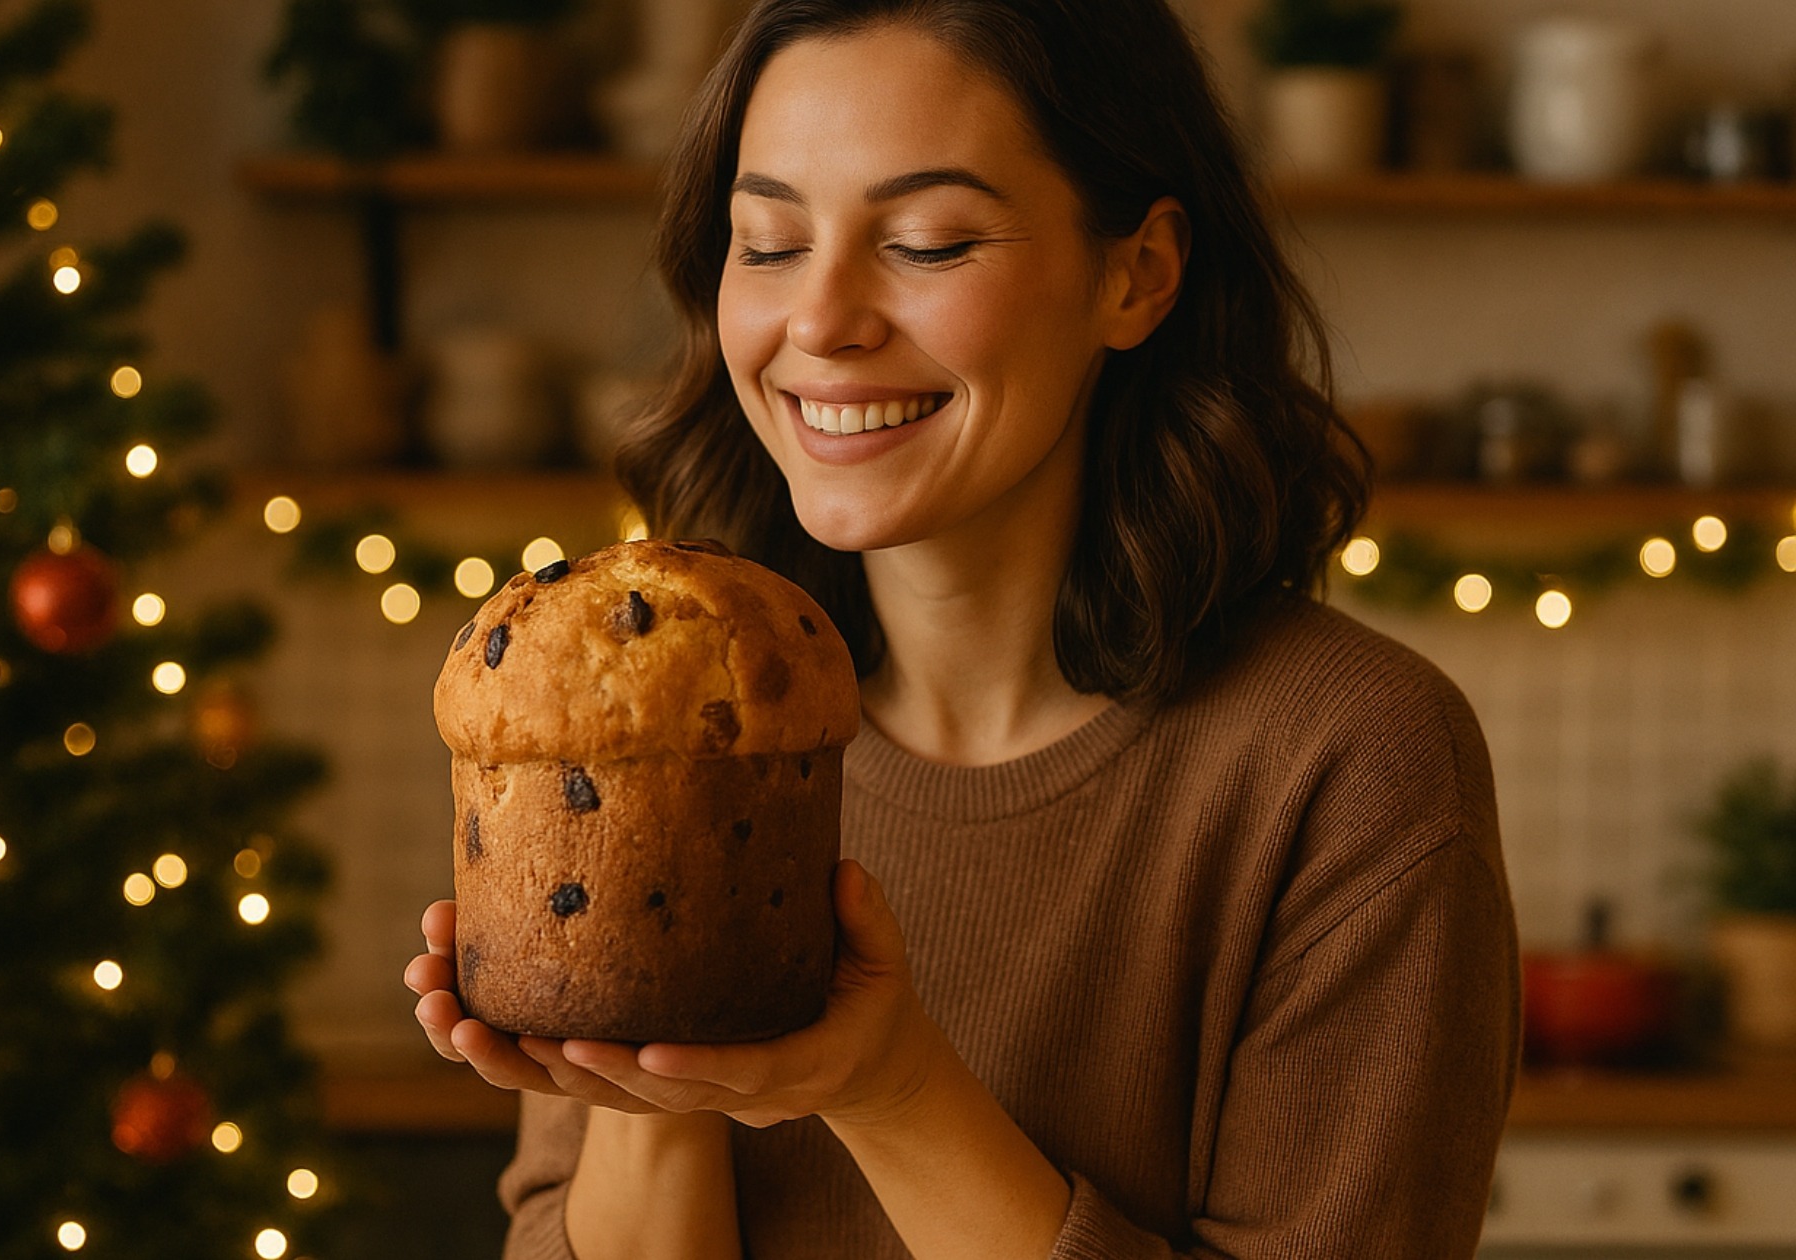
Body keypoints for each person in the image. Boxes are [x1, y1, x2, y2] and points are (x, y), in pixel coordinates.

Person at [404, 0, 1520, 1255]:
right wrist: (658, 1064)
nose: (820, 322)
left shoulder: (1349, 764)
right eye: (766, 243)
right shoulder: (661, 738)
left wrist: (888, 1090)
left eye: (929, 243)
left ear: (1134, 273)